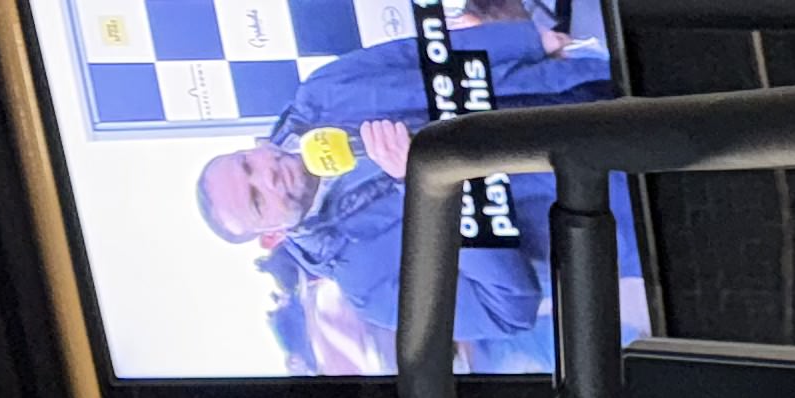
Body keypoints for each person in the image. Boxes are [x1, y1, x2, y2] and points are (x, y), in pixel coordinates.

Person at [194, 16, 617, 362]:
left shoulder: (320, 94)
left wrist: (526, 41)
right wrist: (428, 195)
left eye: (248, 165)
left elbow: (415, 56)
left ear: (253, 147)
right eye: (256, 199)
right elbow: (507, 308)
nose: (267, 178)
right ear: (271, 235)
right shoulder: (366, 286)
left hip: (583, 82)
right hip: (614, 191)